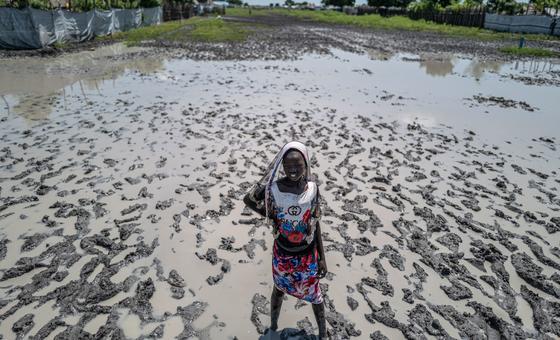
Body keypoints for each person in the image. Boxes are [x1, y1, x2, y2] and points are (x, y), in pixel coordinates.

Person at [244, 141, 328, 339]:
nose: (293, 169)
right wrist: (270, 215)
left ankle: (323, 334)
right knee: (279, 290)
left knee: (316, 296)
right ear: (282, 166)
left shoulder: (313, 190)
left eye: (298, 165)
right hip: (282, 254)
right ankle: (273, 327)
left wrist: (322, 258)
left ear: (306, 165)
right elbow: (248, 199)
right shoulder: (273, 189)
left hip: (307, 255)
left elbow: (315, 225)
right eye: (288, 165)